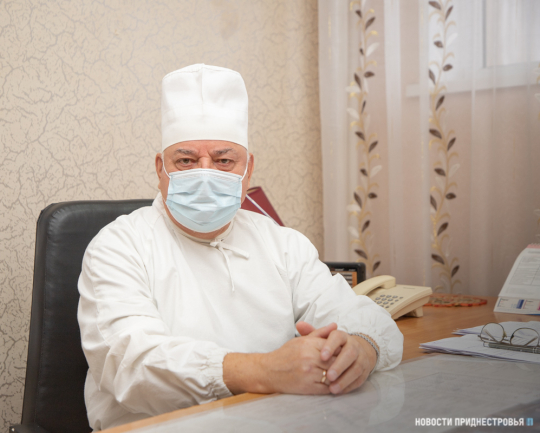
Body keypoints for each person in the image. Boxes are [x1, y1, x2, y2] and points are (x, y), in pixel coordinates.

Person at [77, 63, 403, 430]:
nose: (205, 174)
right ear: (160, 169)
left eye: (223, 160)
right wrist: (264, 371)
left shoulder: (282, 243)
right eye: (185, 161)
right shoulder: (118, 247)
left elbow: (364, 317)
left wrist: (361, 347)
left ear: (248, 170)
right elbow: (129, 362)